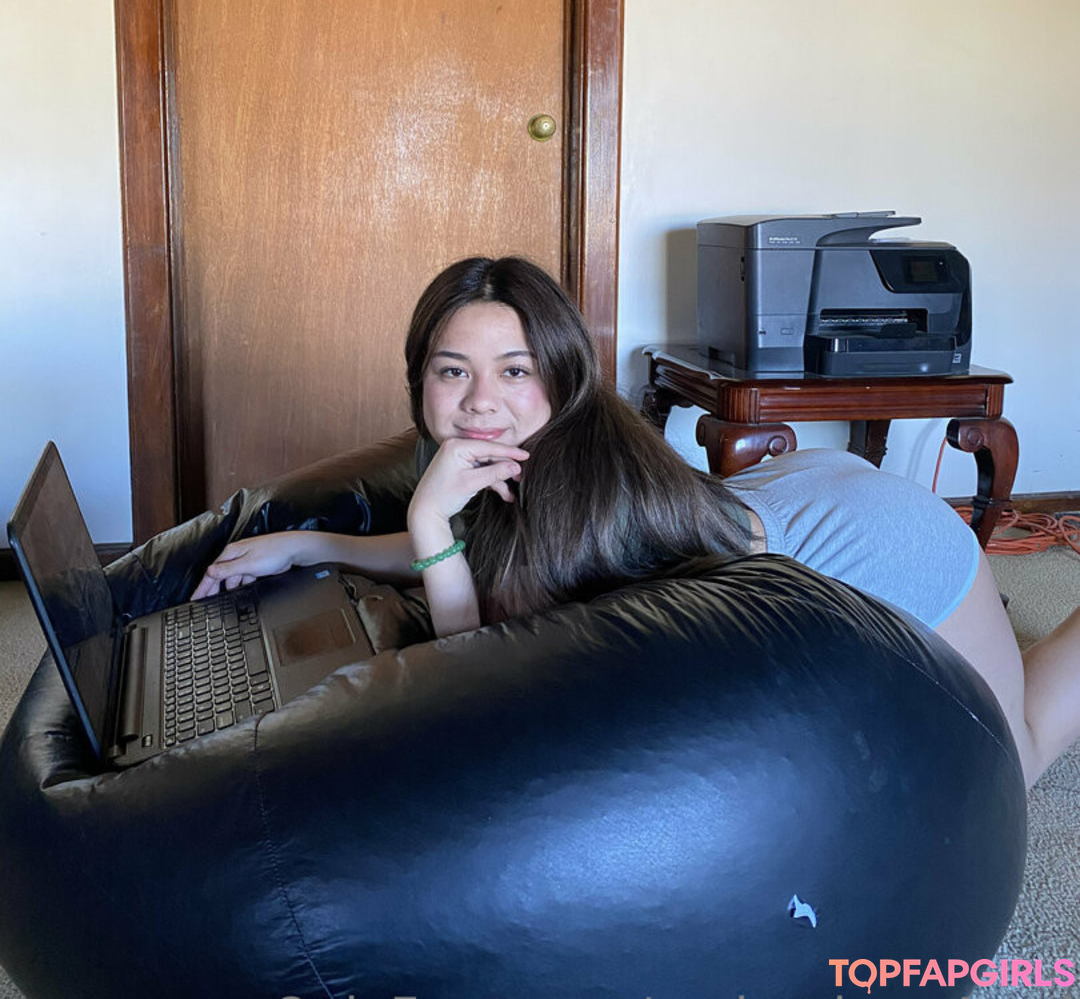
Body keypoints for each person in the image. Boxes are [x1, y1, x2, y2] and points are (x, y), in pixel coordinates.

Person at [194, 256, 1080, 789]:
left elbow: (471, 680)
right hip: (785, 499)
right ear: (418, 378)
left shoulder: (577, 500)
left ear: (562, 376)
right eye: (452, 371)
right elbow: (470, 554)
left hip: (882, 543)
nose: (480, 402)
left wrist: (429, 523)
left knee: (1011, 758)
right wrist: (312, 543)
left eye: (515, 370)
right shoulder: (501, 457)